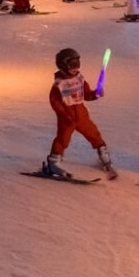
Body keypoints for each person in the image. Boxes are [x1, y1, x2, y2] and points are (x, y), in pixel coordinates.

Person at [43, 48, 117, 179]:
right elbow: (55, 103)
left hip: (82, 115)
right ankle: (53, 162)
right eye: (72, 66)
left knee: (94, 134)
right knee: (62, 139)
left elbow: (86, 94)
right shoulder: (59, 85)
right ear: (63, 66)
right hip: (67, 118)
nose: (76, 69)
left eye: (78, 65)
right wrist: (64, 116)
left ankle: (104, 156)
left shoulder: (79, 79)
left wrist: (95, 94)